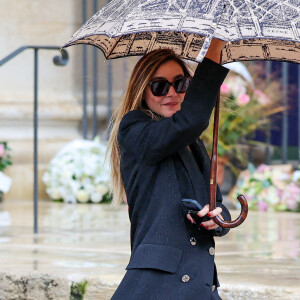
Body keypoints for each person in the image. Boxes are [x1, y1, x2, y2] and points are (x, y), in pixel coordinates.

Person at [107, 39, 231, 300]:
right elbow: (190, 121)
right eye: (160, 86)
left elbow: (216, 202)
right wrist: (214, 51)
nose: (171, 93)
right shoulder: (134, 130)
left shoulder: (192, 144)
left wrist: (214, 218)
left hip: (199, 283)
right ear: (142, 91)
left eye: (181, 84)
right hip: (158, 284)